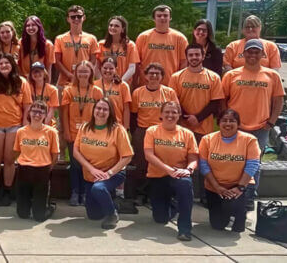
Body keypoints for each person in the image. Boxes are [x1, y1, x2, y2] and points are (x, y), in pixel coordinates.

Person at [72, 98, 133, 229]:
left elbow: (127, 156)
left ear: (110, 112)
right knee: (93, 215)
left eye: (105, 109)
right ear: (93, 110)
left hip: (112, 173)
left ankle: (112, 214)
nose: (101, 111)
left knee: (99, 188)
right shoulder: (85, 127)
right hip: (91, 175)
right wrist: (91, 169)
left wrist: (109, 173)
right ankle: (113, 202)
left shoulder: (117, 130)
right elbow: (76, 151)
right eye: (98, 108)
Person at [144, 101, 199, 241]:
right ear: (161, 114)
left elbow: (193, 158)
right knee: (160, 219)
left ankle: (185, 228)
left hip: (179, 175)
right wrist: (168, 169)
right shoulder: (152, 131)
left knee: (185, 184)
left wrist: (188, 170)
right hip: (158, 176)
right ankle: (174, 204)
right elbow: (148, 155)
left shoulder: (187, 134)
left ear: (179, 114)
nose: (170, 115)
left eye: (174, 112)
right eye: (167, 112)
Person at [0, 54, 31, 206]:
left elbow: (27, 106)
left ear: (13, 65)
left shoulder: (22, 83)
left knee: (10, 161)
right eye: (0, 63)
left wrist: (23, 128)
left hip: (14, 126)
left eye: (6, 63)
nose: (3, 66)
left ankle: (8, 190)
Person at [199, 109, 260, 232]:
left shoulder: (249, 140)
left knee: (237, 227)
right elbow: (203, 165)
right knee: (218, 225)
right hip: (215, 186)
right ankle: (226, 212)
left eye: (232, 121)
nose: (228, 124)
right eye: (224, 121)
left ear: (238, 124)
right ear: (218, 123)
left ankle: (239, 214)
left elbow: (253, 165)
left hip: (240, 186)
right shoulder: (207, 139)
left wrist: (240, 188)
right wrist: (216, 187)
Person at [129, 63, 179, 209]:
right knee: (141, 164)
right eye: (151, 73)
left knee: (160, 163)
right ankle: (141, 194)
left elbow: (175, 113)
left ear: (162, 77)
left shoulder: (169, 92)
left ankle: (156, 194)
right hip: (143, 130)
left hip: (163, 131)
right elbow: (133, 114)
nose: (154, 76)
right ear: (145, 76)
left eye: (158, 74)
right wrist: (135, 133)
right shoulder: (138, 92)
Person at [221, 39, 284, 152]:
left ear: (263, 54)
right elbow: (222, 100)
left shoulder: (273, 76)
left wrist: (271, 123)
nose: (253, 55)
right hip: (235, 126)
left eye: (256, 52)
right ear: (244, 54)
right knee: (233, 160)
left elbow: (278, 101)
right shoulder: (231, 75)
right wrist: (227, 121)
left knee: (255, 163)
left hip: (261, 127)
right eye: (250, 52)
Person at [60, 61, 104, 206]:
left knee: (87, 165)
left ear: (91, 73)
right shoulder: (68, 90)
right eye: (80, 71)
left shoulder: (97, 91)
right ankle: (75, 192)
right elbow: (64, 114)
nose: (83, 74)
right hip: (73, 132)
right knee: (75, 165)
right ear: (76, 73)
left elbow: (101, 114)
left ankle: (85, 193)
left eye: (86, 71)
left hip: (90, 134)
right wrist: (66, 131)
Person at [13, 101, 60, 221]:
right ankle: (28, 205)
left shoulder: (51, 132)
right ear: (29, 113)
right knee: (22, 214)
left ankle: (50, 206)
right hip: (24, 170)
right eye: (34, 111)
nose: (37, 115)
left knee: (39, 217)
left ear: (45, 115)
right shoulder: (21, 132)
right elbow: (17, 151)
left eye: (41, 112)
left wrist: (49, 167)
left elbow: (55, 154)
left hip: (42, 170)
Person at [170, 44, 224, 141]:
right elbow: (173, 101)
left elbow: (215, 102)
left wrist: (198, 118)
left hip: (204, 129)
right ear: (186, 57)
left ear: (203, 56)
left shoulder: (214, 77)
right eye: (190, 55)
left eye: (197, 54)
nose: (194, 57)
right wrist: (187, 118)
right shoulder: (176, 77)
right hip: (182, 127)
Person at [135, 5, 188, 87]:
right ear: (154, 18)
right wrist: (135, 82)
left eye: (165, 15)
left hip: (170, 86)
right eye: (159, 16)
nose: (162, 18)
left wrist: (179, 82)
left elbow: (184, 63)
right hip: (146, 85)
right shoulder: (143, 37)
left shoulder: (180, 38)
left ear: (170, 18)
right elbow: (136, 63)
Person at [54, 5, 99, 87]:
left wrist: (83, 73)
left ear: (84, 17)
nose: (76, 19)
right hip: (64, 82)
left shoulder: (92, 38)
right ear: (68, 19)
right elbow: (57, 61)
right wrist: (69, 75)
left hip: (85, 81)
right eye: (73, 17)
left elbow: (93, 60)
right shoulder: (60, 38)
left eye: (79, 16)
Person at [98, 16, 139, 84]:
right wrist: (102, 81)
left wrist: (120, 82)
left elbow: (132, 68)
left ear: (123, 29)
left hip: (122, 83)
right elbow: (96, 67)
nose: (113, 28)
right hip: (104, 85)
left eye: (116, 26)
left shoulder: (130, 45)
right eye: (111, 25)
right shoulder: (101, 44)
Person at [95, 58, 132, 128]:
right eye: (105, 68)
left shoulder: (123, 86)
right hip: (98, 124)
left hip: (116, 125)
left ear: (116, 69)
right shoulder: (94, 85)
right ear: (101, 68)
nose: (108, 70)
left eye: (111, 68)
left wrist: (126, 128)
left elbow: (126, 109)